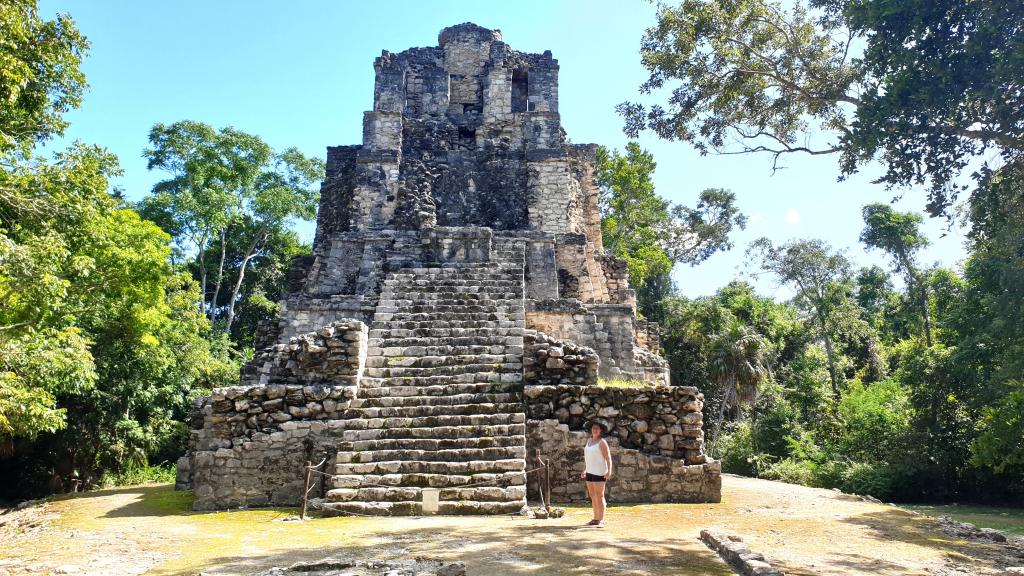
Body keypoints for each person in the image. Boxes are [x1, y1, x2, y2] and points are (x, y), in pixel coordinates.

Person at [580, 420, 612, 527]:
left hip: (600, 472)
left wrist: (609, 470)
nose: (595, 430)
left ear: (600, 430)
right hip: (589, 472)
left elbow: (608, 458)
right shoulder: (589, 441)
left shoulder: (602, 442)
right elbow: (588, 458)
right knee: (593, 496)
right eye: (593, 428)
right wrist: (585, 469)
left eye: (597, 428)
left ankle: (601, 520)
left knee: (600, 496)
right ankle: (595, 519)